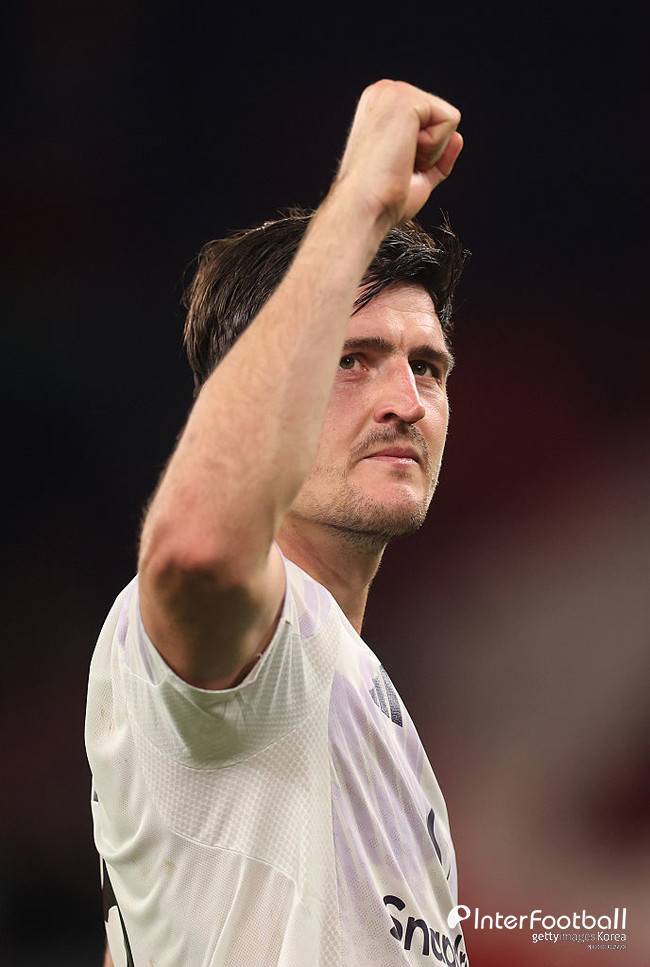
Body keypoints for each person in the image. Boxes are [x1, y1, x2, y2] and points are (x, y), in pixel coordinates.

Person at [86, 79, 470, 967]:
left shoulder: (366, 699)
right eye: (352, 358)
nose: (406, 401)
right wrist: (359, 202)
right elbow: (195, 550)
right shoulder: (253, 636)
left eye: (428, 366)